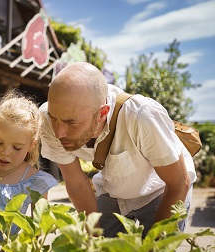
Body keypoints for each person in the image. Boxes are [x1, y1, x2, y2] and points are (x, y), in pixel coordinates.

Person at [39, 62, 196, 238]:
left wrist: (154, 251)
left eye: (71, 123)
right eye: (54, 118)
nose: (59, 132)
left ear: (102, 113)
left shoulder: (141, 117)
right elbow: (76, 183)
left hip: (160, 189)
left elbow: (179, 183)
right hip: (113, 190)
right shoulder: (47, 120)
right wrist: (96, 241)